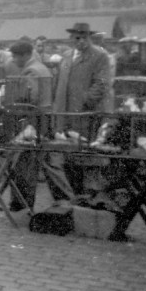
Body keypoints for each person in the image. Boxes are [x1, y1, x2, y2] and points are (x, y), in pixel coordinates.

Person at [49, 22, 110, 199]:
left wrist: (85, 101)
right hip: (64, 115)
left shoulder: (99, 56)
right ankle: (72, 199)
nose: (81, 41)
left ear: (90, 38)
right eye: (77, 37)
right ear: (71, 38)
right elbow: (58, 83)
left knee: (84, 157)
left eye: (85, 37)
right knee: (67, 157)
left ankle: (86, 199)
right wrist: (56, 106)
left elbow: (102, 83)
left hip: (83, 115)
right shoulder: (66, 57)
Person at [5, 41, 54, 212]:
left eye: (15, 56)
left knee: (22, 163)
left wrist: (16, 102)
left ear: (24, 55)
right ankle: (24, 202)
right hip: (43, 119)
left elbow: (30, 97)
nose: (13, 60)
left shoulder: (30, 71)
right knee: (32, 164)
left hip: (31, 120)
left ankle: (20, 203)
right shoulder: (42, 67)